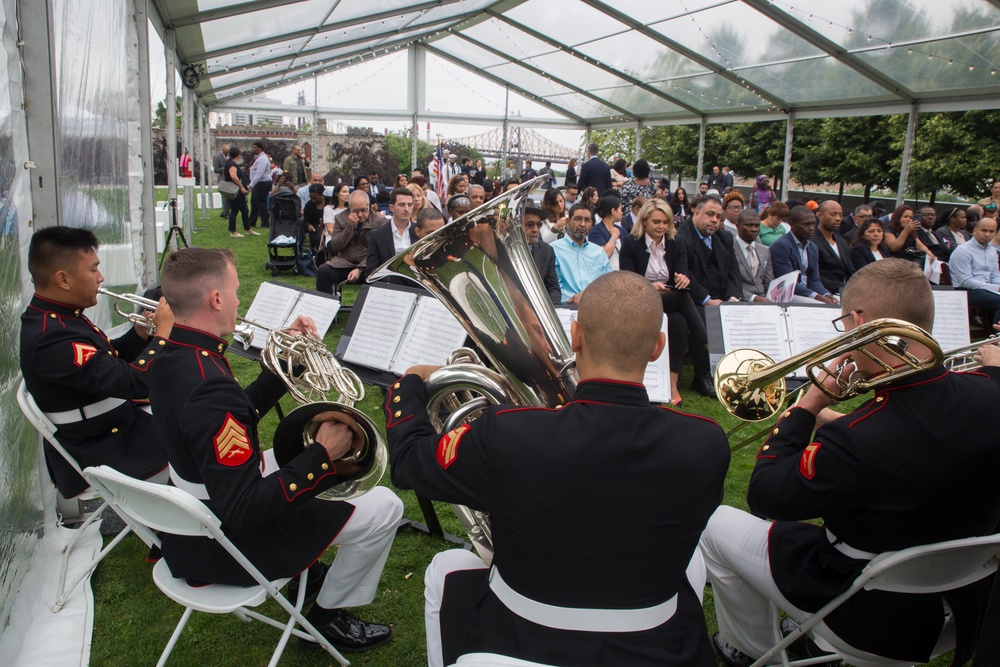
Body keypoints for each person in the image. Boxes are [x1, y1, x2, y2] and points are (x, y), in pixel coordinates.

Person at [386, 270, 730, 667]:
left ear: (576, 336)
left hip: (519, 637)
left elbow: (411, 462)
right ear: (658, 347)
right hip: (662, 645)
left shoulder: (508, 431)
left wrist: (408, 383)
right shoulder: (705, 442)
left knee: (444, 569)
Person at [701, 258, 1000, 667]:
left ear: (860, 322)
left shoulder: (855, 440)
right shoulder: (989, 394)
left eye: (844, 325)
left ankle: (750, 648)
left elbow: (766, 496)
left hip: (863, 613)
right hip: (957, 610)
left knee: (714, 524)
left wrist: (808, 405)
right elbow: (922, 436)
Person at [151, 248, 402, 653]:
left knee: (284, 459)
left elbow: (232, 417)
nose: (238, 301)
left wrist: (288, 360)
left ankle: (313, 583)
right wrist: (321, 455)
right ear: (216, 299)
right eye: (234, 292)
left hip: (191, 517)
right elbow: (244, 510)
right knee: (386, 506)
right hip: (224, 543)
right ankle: (323, 620)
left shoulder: (174, 354)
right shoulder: (207, 382)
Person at [20, 227, 171, 499]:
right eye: (93, 270)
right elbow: (136, 384)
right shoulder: (51, 338)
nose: (101, 278)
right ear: (63, 279)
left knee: (194, 417)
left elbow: (104, 361)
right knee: (201, 445)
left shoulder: (59, 316)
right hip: (106, 449)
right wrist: (163, 336)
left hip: (112, 427)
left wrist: (139, 336)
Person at [620, 199, 706, 405]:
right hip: (640, 300)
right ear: (644, 221)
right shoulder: (631, 243)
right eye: (656, 222)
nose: (661, 227)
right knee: (683, 299)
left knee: (679, 322)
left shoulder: (676, 242)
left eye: (666, 222)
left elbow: (682, 273)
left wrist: (682, 278)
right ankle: (705, 339)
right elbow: (628, 281)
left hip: (670, 300)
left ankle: (672, 383)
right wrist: (651, 287)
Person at [677, 195, 743, 397]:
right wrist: (708, 299)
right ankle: (703, 374)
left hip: (722, 296)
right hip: (692, 297)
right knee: (703, 316)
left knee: (745, 315)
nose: (715, 220)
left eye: (719, 217)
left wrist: (733, 298)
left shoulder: (724, 238)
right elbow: (684, 272)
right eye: (710, 214)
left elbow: (734, 270)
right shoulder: (681, 237)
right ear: (696, 213)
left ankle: (737, 371)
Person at [316, 191, 385, 294]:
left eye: (363, 210)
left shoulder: (380, 221)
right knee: (323, 271)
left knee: (381, 275)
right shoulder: (340, 218)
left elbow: (379, 252)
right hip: (344, 263)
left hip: (369, 265)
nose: (360, 214)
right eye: (356, 211)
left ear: (369, 206)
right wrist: (350, 226)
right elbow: (336, 246)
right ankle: (325, 305)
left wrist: (359, 269)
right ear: (349, 208)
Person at [770, 206, 837, 304]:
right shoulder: (781, 246)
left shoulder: (812, 247)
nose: (811, 228)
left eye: (813, 224)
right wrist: (817, 296)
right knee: (821, 305)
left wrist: (825, 294)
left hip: (807, 292)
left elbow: (814, 279)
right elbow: (788, 282)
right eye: (806, 224)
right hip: (786, 293)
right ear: (792, 224)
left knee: (838, 302)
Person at [551, 203, 612, 304]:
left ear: (592, 224)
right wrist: (576, 299)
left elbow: (608, 283)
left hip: (595, 306)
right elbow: (554, 287)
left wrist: (588, 296)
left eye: (587, 220)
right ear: (568, 222)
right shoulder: (554, 249)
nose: (583, 224)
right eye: (578, 219)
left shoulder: (598, 252)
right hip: (566, 308)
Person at [949, 217, 1000, 325]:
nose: (987, 234)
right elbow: (965, 281)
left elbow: (995, 276)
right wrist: (996, 288)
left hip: (986, 289)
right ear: (975, 230)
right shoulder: (963, 251)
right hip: (966, 291)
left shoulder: (992, 251)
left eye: (991, 231)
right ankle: (997, 338)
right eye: (984, 230)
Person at [367, 187, 417, 277]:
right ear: (391, 207)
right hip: (390, 284)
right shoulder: (378, 235)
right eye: (401, 204)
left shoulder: (418, 231)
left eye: (410, 205)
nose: (406, 209)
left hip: (416, 284)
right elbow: (372, 268)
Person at [813, 200, 855, 296]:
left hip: (845, 291)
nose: (838, 218)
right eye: (833, 214)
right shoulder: (812, 241)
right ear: (820, 216)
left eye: (840, 215)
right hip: (823, 292)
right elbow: (814, 275)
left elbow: (850, 270)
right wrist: (841, 287)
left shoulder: (842, 242)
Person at [522, 206, 561, 305]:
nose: (535, 229)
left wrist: (548, 310)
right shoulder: (505, 249)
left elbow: (553, 288)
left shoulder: (546, 250)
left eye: (538, 225)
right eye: (530, 225)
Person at [733, 208, 774, 303]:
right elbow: (729, 284)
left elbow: (769, 281)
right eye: (749, 225)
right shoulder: (729, 248)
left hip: (764, 300)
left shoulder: (765, 250)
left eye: (757, 226)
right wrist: (754, 298)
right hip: (740, 300)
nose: (754, 229)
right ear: (738, 226)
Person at [223, 146, 258, 238]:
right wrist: (242, 187)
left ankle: (248, 229)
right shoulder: (231, 164)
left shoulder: (231, 163)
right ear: (238, 155)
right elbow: (233, 176)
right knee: (234, 211)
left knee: (245, 210)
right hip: (236, 191)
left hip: (239, 192)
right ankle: (233, 231)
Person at [588, 194, 624, 269]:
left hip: (623, 274)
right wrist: (614, 237)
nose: (622, 212)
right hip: (605, 275)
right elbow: (603, 255)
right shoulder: (595, 231)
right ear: (613, 211)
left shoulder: (622, 230)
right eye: (620, 209)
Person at [247, 141, 272, 229]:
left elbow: (259, 173)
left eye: (255, 148)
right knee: (254, 202)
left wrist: (251, 184)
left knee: (261, 202)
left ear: (260, 148)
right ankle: (251, 222)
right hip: (259, 182)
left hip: (262, 182)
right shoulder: (259, 158)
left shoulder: (263, 159)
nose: (253, 149)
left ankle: (265, 223)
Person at [213, 144, 230, 219]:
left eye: (228, 152)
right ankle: (226, 213)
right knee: (224, 196)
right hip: (223, 179)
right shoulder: (217, 158)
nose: (227, 154)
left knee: (229, 196)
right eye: (226, 152)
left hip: (229, 178)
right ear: (222, 150)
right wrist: (224, 168)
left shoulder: (229, 157)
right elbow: (216, 170)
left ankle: (224, 211)